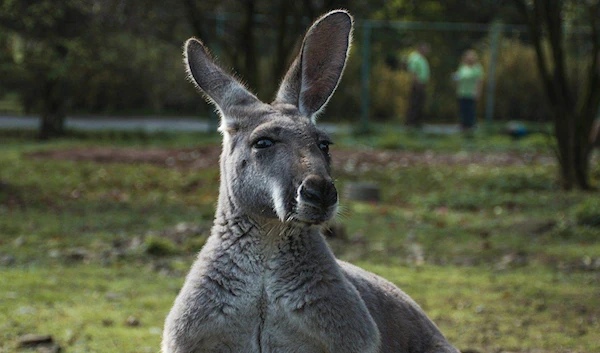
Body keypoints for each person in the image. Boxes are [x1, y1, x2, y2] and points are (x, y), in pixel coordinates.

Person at [454, 49, 484, 131]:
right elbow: (458, 79)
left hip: (471, 93)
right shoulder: (462, 67)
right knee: (462, 110)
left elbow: (479, 81)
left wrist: (478, 92)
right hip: (462, 92)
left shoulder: (477, 68)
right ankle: (463, 125)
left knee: (470, 110)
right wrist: (457, 89)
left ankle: (471, 126)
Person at [405, 42, 431, 128]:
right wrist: (416, 83)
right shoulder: (415, 58)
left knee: (420, 103)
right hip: (417, 83)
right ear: (420, 48)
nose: (427, 50)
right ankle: (411, 123)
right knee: (415, 103)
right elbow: (413, 72)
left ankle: (418, 122)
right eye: (425, 48)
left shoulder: (422, 58)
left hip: (422, 83)